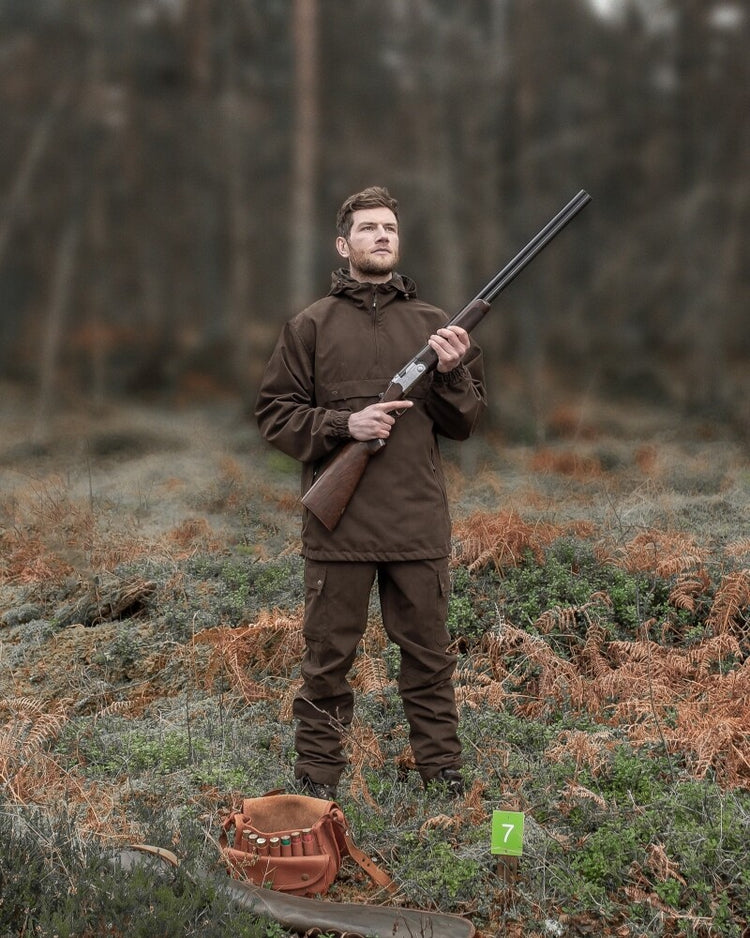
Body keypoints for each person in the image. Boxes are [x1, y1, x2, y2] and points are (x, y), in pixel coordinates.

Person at [255, 186, 487, 799]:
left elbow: (465, 424)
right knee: (326, 665)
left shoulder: (439, 327)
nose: (381, 236)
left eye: (390, 228)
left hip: (416, 525)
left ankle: (443, 782)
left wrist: (451, 373)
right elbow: (275, 414)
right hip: (339, 529)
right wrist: (344, 424)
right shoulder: (311, 325)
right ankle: (316, 787)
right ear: (343, 245)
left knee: (430, 661)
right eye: (367, 228)